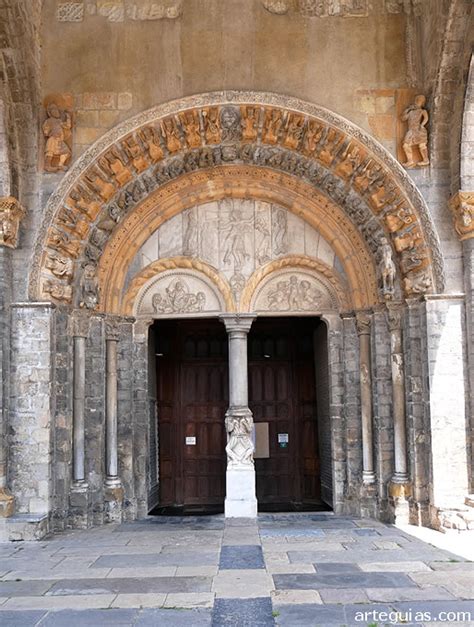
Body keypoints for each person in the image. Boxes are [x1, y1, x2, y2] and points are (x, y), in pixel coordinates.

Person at [401, 95, 429, 168]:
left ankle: (425, 160)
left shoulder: (423, 111)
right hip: (411, 130)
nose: (417, 102)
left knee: (422, 145)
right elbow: (403, 118)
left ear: (422, 103)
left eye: (419, 101)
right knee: (405, 145)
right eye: (417, 100)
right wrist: (407, 110)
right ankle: (410, 161)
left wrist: (422, 125)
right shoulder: (411, 112)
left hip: (419, 130)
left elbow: (426, 118)